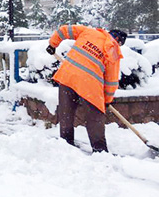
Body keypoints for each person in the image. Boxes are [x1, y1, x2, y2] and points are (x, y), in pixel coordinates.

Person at [46, 25, 127, 153]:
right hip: (89, 86)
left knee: (66, 113)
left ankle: (66, 143)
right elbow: (111, 81)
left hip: (67, 76)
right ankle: (99, 150)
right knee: (95, 118)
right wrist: (106, 100)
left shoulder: (89, 32)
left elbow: (64, 30)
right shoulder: (113, 49)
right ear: (119, 41)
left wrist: (52, 44)